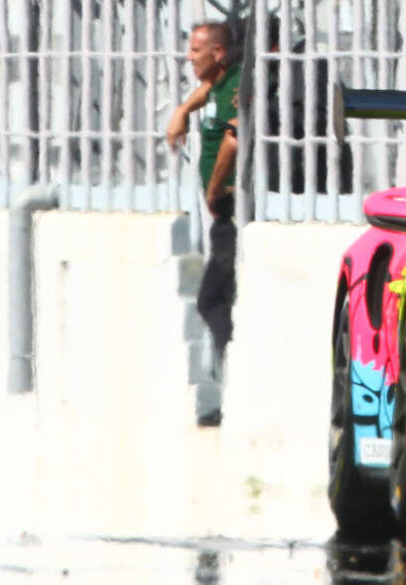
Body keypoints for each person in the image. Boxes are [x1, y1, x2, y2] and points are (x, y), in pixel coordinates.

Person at [169, 20, 242, 427]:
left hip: (229, 208)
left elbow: (233, 139)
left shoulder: (234, 83)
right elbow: (206, 93)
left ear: (216, 53)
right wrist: (183, 110)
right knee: (214, 296)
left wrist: (214, 192)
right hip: (222, 213)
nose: (188, 58)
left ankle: (227, 377)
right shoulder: (216, 83)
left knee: (212, 299)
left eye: (195, 51)